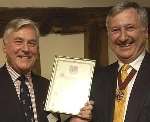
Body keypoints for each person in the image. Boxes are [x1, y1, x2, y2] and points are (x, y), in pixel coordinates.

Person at [0, 18, 93, 122]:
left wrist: (74, 120)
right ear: (5, 47)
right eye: (18, 42)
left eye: (32, 43)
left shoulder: (47, 86)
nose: (26, 49)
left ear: (37, 49)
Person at [90, 1, 150, 122]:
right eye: (116, 30)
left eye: (130, 28)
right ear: (108, 35)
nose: (123, 37)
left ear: (146, 32)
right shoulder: (97, 79)